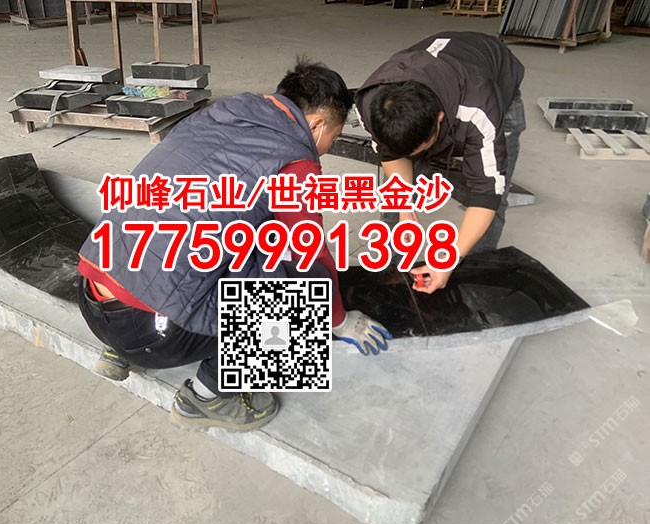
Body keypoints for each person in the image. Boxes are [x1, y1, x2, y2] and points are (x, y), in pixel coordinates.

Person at [77, 59, 392, 432]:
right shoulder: (295, 162)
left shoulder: (222, 112)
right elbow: (310, 256)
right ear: (316, 125)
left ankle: (120, 351)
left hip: (92, 294)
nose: (327, 147)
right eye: (333, 136)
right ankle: (207, 396)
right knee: (306, 293)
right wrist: (339, 320)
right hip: (148, 332)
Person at [355, 31, 526, 294]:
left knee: (495, 195)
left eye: (421, 149)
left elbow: (486, 194)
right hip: (439, 80)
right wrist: (405, 209)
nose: (415, 156)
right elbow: (392, 157)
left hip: (493, 81)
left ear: (439, 119)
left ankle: (471, 283)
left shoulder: (479, 109)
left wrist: (448, 259)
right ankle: (395, 275)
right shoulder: (372, 103)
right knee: (396, 197)